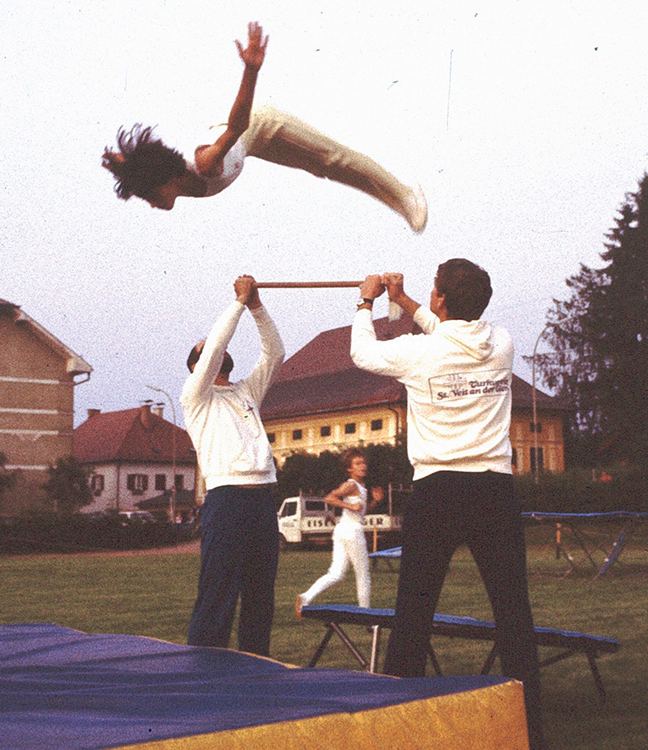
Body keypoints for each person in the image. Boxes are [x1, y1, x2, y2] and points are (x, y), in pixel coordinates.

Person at [349, 261, 546, 750]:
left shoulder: (420, 352)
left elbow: (362, 352)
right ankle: (531, 732)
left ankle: (399, 728)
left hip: (438, 492)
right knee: (513, 612)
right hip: (495, 491)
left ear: (439, 298)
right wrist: (404, 300)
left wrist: (367, 300)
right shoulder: (501, 343)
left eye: (433, 291)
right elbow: (451, 331)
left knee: (414, 611)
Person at [102, 22, 427, 232]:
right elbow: (145, 168)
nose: (152, 203)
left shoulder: (204, 164)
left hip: (259, 125)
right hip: (254, 147)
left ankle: (406, 196)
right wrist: (122, 165)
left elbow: (237, 126)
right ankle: (398, 203)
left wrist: (251, 71)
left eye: (151, 195)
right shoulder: (164, 177)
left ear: (167, 178)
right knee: (323, 169)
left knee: (333, 158)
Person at [181, 274, 285, 656]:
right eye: (205, 349)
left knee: (260, 594)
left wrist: (256, 307)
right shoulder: (196, 396)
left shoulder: (246, 392)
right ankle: (203, 667)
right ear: (197, 366)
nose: (215, 348)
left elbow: (275, 353)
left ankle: (256, 664)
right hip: (227, 501)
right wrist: (238, 303)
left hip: (262, 501)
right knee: (218, 592)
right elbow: (215, 347)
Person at [295, 448, 378, 618]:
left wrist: (375, 501)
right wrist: (350, 506)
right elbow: (329, 498)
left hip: (344, 530)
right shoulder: (351, 484)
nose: (363, 466)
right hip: (352, 531)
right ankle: (366, 615)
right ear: (349, 469)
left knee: (337, 573)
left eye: (363, 462)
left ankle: (305, 597)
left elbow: (361, 512)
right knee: (363, 575)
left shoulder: (361, 486)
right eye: (358, 463)